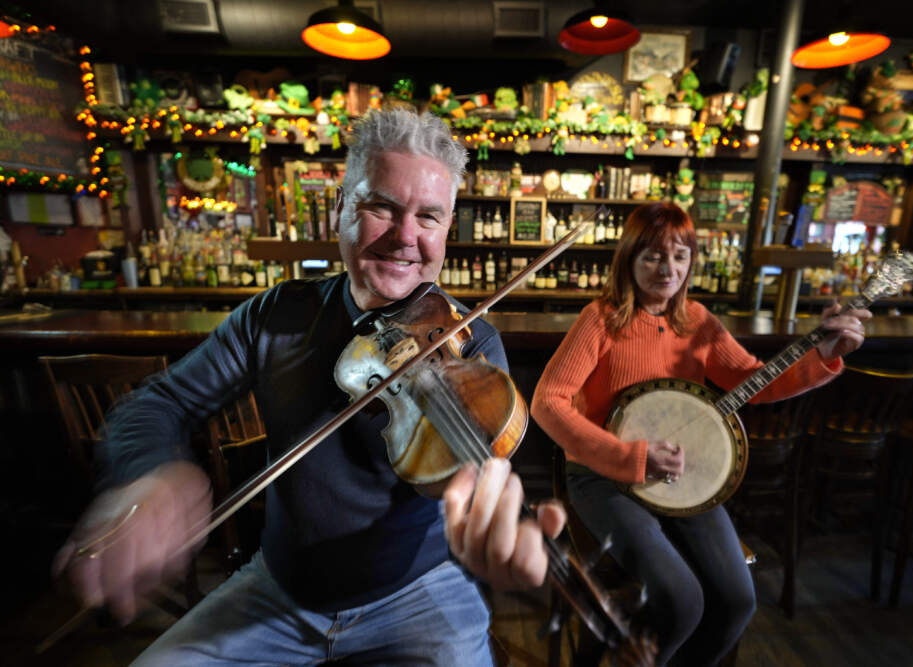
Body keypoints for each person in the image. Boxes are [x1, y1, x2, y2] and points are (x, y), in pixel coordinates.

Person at [53, 108, 564, 666]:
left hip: (418, 591)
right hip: (279, 588)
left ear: (447, 229)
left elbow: (462, 479)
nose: (405, 238)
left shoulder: (471, 344)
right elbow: (161, 401)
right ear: (341, 208)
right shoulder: (276, 316)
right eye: (381, 208)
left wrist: (485, 521)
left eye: (429, 218)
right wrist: (150, 473)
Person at [530, 202, 870, 666]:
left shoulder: (698, 321)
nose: (667, 269)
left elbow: (754, 379)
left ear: (691, 260)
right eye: (651, 256)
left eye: (680, 255)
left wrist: (824, 350)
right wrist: (627, 456)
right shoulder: (600, 319)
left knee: (737, 601)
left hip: (679, 476)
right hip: (604, 479)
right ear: (628, 258)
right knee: (681, 598)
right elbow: (547, 402)